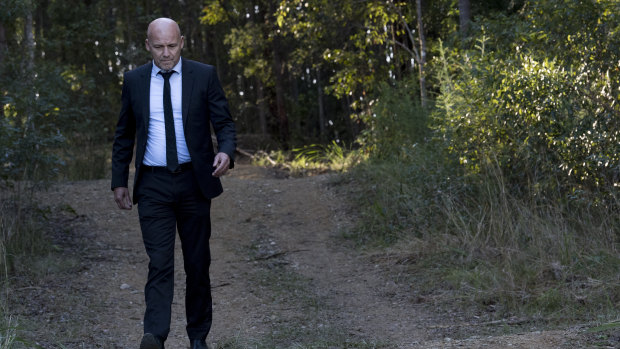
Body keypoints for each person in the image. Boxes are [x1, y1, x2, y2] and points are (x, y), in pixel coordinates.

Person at [111, 17, 236, 349]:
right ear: (147, 45)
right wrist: (118, 180)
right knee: (160, 262)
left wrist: (225, 152)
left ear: (182, 42)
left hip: (195, 182)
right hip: (152, 184)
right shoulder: (134, 80)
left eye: (171, 46)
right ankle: (155, 336)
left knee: (197, 263)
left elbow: (224, 123)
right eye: (158, 47)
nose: (166, 54)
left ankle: (197, 337)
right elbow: (123, 135)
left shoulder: (204, 75)